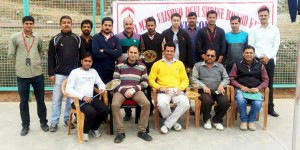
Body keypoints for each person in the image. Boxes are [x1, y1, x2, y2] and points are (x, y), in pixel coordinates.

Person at [8, 16, 49, 136]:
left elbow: (41, 51)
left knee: (41, 100)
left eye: (31, 23)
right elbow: (11, 55)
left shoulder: (38, 37)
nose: (29, 25)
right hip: (22, 75)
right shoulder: (15, 37)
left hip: (37, 73)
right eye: (27, 23)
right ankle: (25, 126)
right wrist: (20, 64)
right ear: (22, 24)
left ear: (33, 25)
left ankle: (43, 123)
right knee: (23, 101)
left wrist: (35, 60)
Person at [48, 15, 85, 132]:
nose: (66, 24)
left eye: (68, 22)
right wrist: (51, 73)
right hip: (59, 74)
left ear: (71, 24)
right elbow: (50, 57)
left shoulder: (77, 39)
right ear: (60, 24)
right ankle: (54, 122)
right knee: (56, 99)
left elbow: (83, 56)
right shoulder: (55, 39)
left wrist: (81, 72)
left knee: (71, 99)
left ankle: (67, 120)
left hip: (74, 75)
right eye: (64, 22)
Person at [111, 45, 152, 143]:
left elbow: (145, 82)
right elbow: (115, 81)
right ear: (127, 53)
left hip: (136, 90)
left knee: (146, 104)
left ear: (138, 54)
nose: (133, 55)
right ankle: (120, 132)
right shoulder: (119, 65)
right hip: (121, 90)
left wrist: (134, 89)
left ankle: (142, 131)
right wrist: (124, 91)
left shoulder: (142, 66)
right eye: (131, 52)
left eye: (135, 53)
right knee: (114, 105)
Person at [66, 52, 109, 142]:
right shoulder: (75, 72)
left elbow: (101, 84)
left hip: (91, 98)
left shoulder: (93, 72)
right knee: (92, 112)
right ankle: (84, 132)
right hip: (77, 101)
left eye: (89, 61)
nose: (87, 63)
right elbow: (68, 89)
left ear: (92, 62)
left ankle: (94, 128)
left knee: (105, 110)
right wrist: (83, 97)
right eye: (85, 61)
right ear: (81, 61)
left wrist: (101, 89)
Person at [149, 42, 190, 134]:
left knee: (186, 103)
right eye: (167, 51)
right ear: (164, 51)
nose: (169, 53)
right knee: (162, 104)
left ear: (174, 52)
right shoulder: (157, 64)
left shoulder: (179, 64)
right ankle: (173, 123)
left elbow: (185, 80)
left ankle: (167, 124)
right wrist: (159, 87)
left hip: (177, 90)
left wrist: (180, 88)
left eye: (171, 51)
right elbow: (151, 80)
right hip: (163, 91)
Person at [248, 6, 280, 117]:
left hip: (270, 60)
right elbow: (251, 45)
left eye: (265, 15)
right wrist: (260, 57)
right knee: (255, 82)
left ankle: (270, 108)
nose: (263, 17)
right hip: (256, 60)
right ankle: (255, 106)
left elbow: (276, 46)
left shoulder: (275, 29)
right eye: (261, 15)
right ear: (258, 16)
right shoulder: (253, 29)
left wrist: (268, 57)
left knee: (269, 84)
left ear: (269, 15)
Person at [229, 46, 269, 131]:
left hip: (255, 90)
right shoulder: (237, 64)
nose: (248, 54)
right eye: (246, 52)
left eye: (251, 53)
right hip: (242, 90)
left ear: (254, 54)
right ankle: (243, 120)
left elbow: (266, 80)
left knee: (258, 103)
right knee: (240, 100)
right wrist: (241, 87)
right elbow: (231, 78)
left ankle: (251, 121)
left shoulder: (260, 65)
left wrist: (258, 88)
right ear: (243, 54)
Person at [191, 49, 230, 131]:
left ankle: (216, 120)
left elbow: (226, 78)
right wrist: (203, 86)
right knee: (207, 101)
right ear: (205, 56)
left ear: (215, 57)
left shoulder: (220, 66)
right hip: (204, 90)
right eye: (208, 55)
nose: (210, 57)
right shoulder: (198, 66)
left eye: (212, 56)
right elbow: (193, 79)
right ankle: (207, 120)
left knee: (225, 102)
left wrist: (222, 85)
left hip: (218, 90)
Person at [116, 17, 141, 121]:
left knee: (135, 88)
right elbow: (116, 51)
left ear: (133, 25)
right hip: (122, 69)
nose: (128, 26)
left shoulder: (139, 37)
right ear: (123, 25)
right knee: (124, 89)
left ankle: (138, 114)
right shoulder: (118, 37)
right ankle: (127, 113)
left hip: (135, 68)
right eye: (126, 24)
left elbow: (141, 50)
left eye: (130, 24)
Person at [140, 17, 164, 115]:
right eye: (148, 25)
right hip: (146, 67)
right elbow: (141, 51)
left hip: (158, 67)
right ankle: (149, 108)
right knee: (147, 88)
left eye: (152, 25)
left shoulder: (161, 37)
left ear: (155, 26)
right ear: (146, 26)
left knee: (159, 87)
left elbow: (163, 52)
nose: (150, 27)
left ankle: (161, 109)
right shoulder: (142, 37)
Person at [92, 17, 122, 84]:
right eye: (105, 25)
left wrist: (104, 50)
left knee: (109, 92)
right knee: (99, 91)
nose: (107, 27)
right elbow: (96, 53)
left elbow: (119, 53)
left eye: (109, 25)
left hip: (111, 70)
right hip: (98, 70)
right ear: (102, 26)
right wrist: (112, 52)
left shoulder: (116, 39)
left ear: (112, 26)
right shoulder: (96, 37)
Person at [183, 11, 199, 115]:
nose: (192, 20)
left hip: (198, 61)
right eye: (190, 18)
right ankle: (188, 106)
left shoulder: (201, 31)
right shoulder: (183, 31)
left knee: (198, 85)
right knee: (186, 85)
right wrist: (187, 64)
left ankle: (199, 106)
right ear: (187, 19)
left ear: (196, 19)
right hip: (186, 62)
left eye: (194, 18)